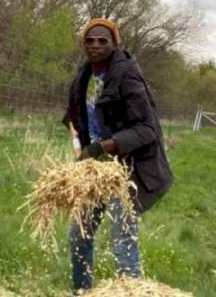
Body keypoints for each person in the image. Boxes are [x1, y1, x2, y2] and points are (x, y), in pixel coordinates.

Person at [62, 17, 173, 292]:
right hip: (95, 169)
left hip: (128, 168)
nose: (96, 45)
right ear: (83, 44)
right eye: (90, 40)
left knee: (121, 238)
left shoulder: (127, 75)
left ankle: (131, 291)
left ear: (114, 44)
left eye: (103, 40)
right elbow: (73, 117)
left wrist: (103, 146)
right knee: (79, 233)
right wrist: (77, 139)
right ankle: (82, 290)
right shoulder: (83, 77)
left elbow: (148, 128)